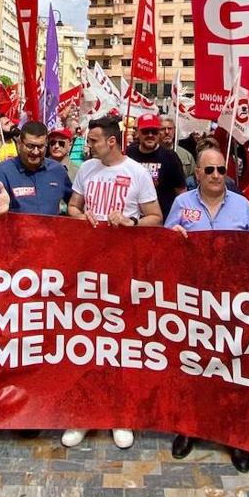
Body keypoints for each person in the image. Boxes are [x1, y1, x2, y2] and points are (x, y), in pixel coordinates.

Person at [0, 121, 73, 469]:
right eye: (30, 146)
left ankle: (27, 410)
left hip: (47, 274)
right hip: (7, 273)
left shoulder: (58, 170)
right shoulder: (2, 170)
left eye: (41, 146)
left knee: (38, 342)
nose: (36, 152)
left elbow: (73, 205)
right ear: (18, 143)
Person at [63, 116, 162, 451]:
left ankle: (120, 413)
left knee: (120, 342)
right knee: (85, 340)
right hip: (86, 267)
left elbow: (156, 217)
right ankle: (84, 414)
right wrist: (81, 217)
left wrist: (131, 221)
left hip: (123, 269)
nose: (88, 145)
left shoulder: (137, 173)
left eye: (93, 140)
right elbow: (73, 208)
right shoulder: (87, 170)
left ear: (112, 141)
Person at [164, 146, 249, 473]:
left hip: (232, 300)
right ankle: (188, 428)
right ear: (197, 174)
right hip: (192, 299)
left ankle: (234, 436)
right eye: (210, 170)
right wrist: (172, 237)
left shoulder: (243, 205)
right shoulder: (182, 204)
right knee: (191, 363)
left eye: (221, 170)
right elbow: (165, 244)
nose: (217, 176)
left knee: (232, 368)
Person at [125, 113, 186, 218]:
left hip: (163, 220)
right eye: (145, 131)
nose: (150, 135)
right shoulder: (130, 153)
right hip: (134, 220)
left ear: (159, 134)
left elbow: (181, 191)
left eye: (154, 131)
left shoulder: (170, 156)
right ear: (138, 133)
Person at [161, 117, 196, 185]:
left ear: (174, 130)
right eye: (162, 129)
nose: (167, 132)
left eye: (170, 128)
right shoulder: (152, 153)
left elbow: (192, 182)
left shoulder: (186, 156)